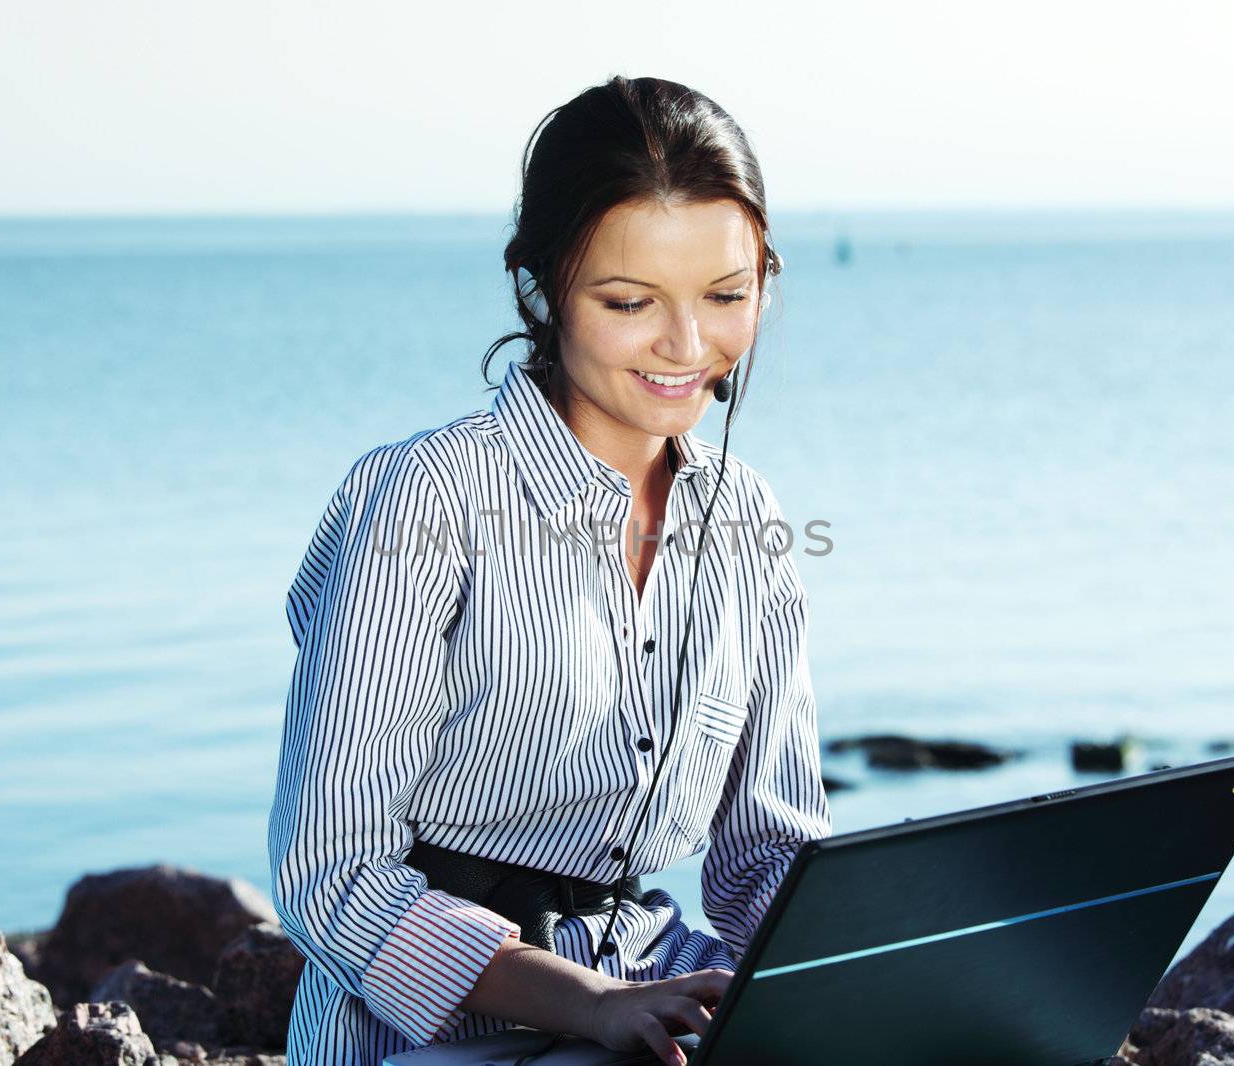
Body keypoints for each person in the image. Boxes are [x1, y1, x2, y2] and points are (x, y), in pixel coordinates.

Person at [268, 74, 832, 1066]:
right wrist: (592, 1004)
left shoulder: (745, 517)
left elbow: (765, 859)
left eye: (727, 295)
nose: (687, 346)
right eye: (628, 301)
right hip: (425, 1030)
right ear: (538, 288)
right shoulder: (420, 500)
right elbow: (331, 876)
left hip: (652, 987)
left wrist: (860, 986)